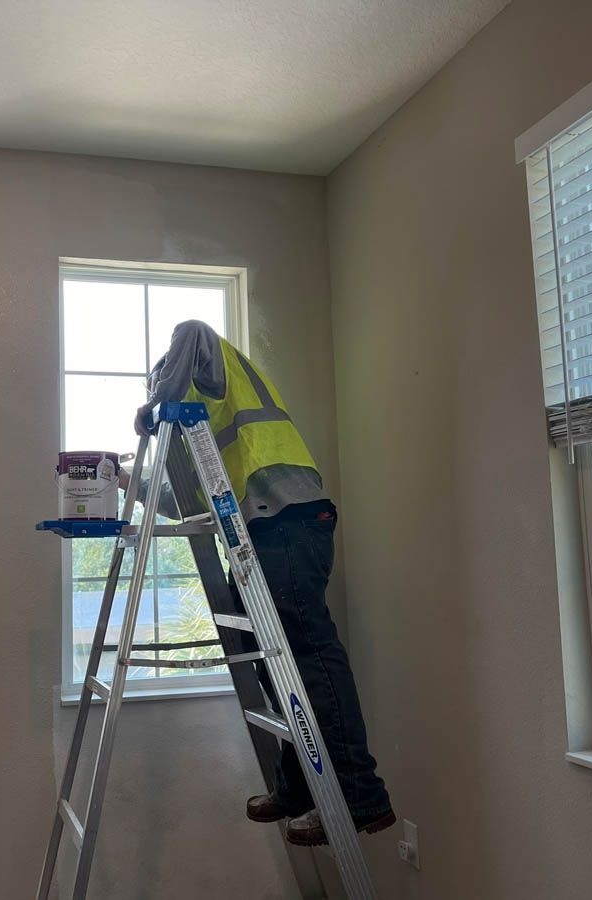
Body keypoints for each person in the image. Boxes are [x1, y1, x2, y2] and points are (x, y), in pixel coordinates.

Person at [127, 319, 394, 847]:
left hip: (289, 518)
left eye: (164, 386)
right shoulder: (195, 435)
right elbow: (191, 506)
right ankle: (299, 784)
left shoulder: (204, 359)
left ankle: (361, 794)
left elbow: (192, 331)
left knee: (309, 652)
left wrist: (150, 407)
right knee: (270, 657)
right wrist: (129, 486)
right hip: (257, 531)